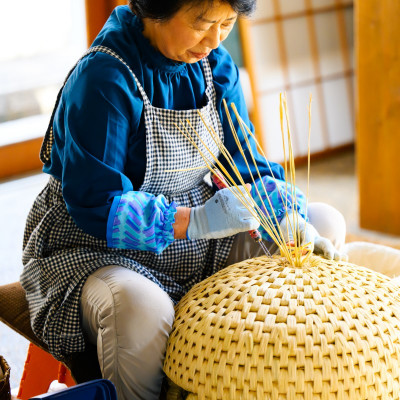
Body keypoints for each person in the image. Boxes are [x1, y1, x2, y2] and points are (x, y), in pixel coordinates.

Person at [20, 1, 346, 399]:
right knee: (139, 309)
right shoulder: (104, 76)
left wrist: (284, 216)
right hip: (97, 246)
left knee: (323, 222)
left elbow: (247, 166)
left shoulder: (215, 66)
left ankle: (267, 379)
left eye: (227, 24)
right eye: (203, 23)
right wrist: (196, 222)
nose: (214, 39)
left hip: (196, 236)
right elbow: (96, 204)